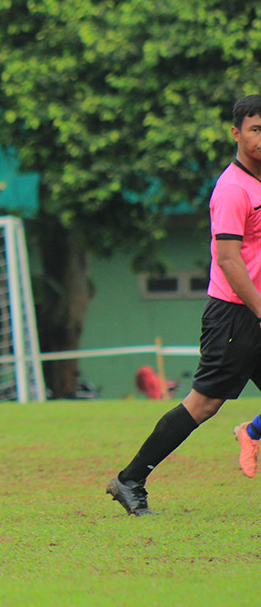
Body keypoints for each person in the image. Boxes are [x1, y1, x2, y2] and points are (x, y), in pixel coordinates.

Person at [107, 94, 261, 515]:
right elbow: (228, 259)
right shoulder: (232, 189)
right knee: (203, 404)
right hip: (235, 314)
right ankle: (130, 479)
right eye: (255, 129)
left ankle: (251, 431)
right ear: (236, 133)